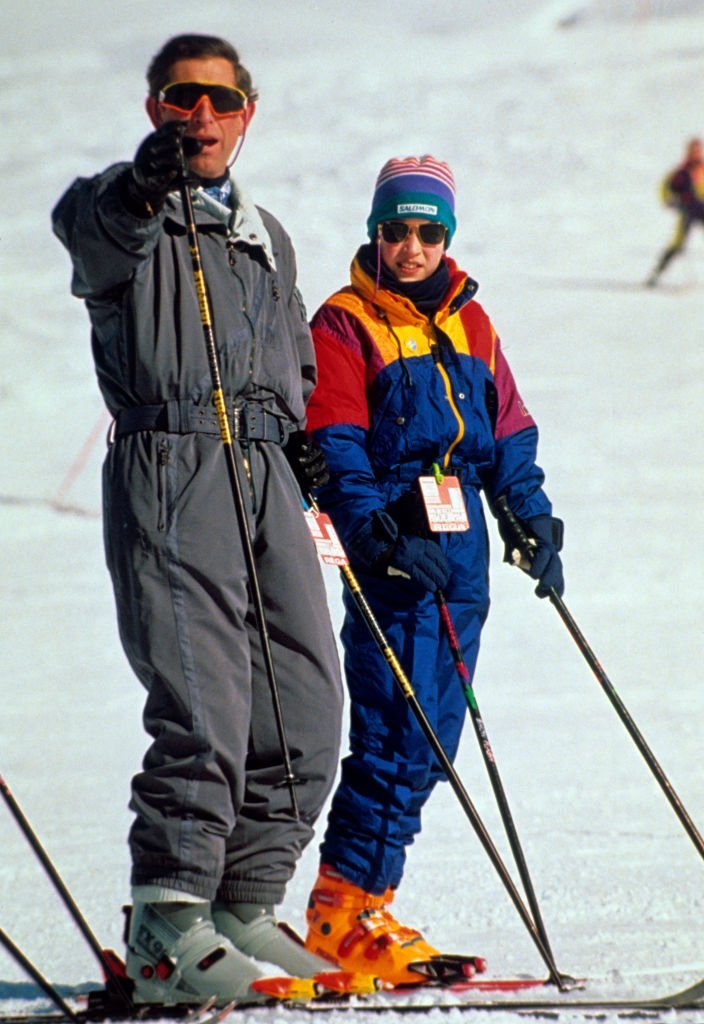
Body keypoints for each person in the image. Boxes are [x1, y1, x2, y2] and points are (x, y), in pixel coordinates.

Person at [51, 34, 343, 1006]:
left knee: (304, 703)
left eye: (221, 101)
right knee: (203, 700)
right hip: (173, 464)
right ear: (156, 108)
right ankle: (167, 918)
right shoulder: (120, 209)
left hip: (264, 470)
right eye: (184, 98)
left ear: (247, 111)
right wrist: (141, 186)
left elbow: (293, 352)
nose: (203, 117)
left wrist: (297, 433)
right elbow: (95, 229)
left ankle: (241, 902)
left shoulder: (266, 235)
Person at [301, 156, 564, 987]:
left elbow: (507, 432)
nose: (410, 247)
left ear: (447, 235)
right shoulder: (345, 323)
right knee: (394, 733)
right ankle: (341, 912)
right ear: (375, 232)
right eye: (395, 230)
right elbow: (335, 441)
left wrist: (528, 514)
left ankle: (369, 903)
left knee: (438, 740)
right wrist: (375, 534)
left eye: (428, 231)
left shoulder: (472, 323)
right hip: (394, 551)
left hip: (461, 555)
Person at [647, 137, 704, 286]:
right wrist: (668, 200)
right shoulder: (680, 173)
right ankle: (657, 273)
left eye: (698, 150)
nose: (696, 154)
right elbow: (665, 188)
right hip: (687, 211)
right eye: (693, 151)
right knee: (678, 244)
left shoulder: (702, 170)